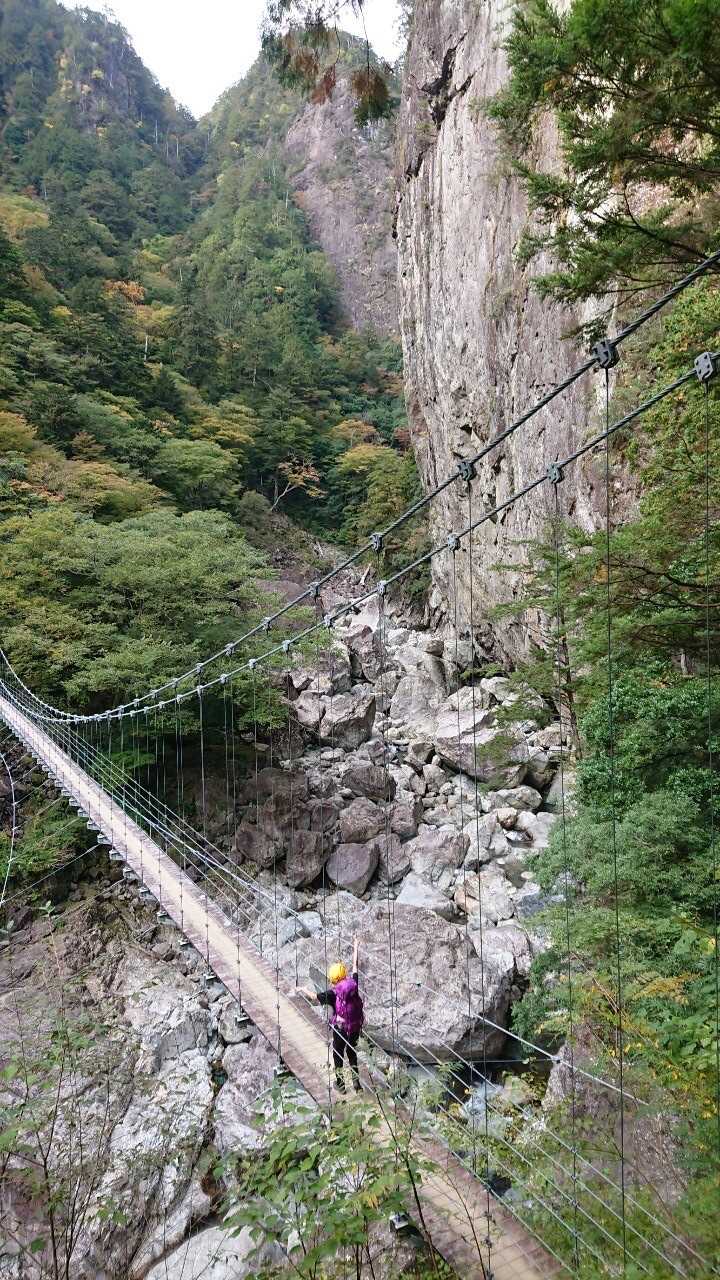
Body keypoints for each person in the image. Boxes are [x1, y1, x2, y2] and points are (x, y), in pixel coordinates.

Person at [298, 935, 364, 1094]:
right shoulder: (353, 985)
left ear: (333, 979)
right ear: (344, 975)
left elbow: (314, 997)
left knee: (338, 1055)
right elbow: (355, 967)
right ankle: (357, 1085)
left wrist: (303, 989)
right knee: (352, 1053)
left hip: (340, 1029)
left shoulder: (333, 993)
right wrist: (356, 946)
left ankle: (341, 1085)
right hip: (355, 1028)